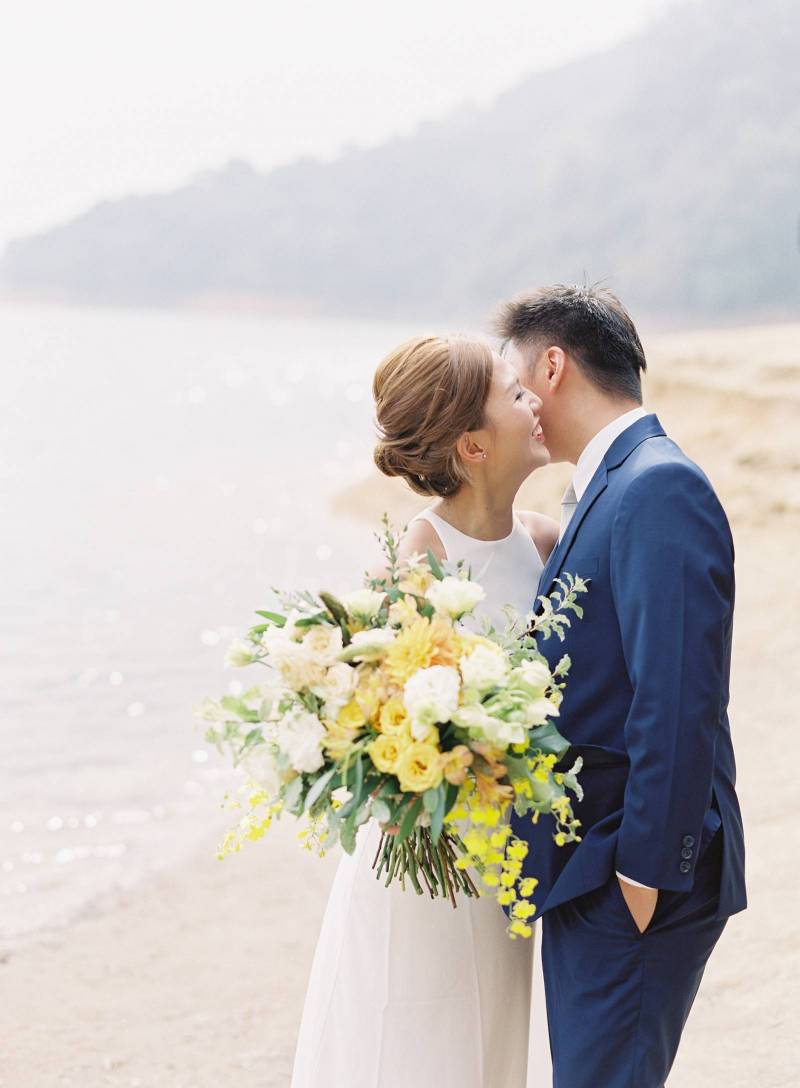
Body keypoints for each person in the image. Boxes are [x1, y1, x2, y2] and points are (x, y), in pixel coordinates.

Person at [291, 334, 558, 1088]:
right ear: (472, 445)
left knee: (495, 1046)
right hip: (424, 860)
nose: (533, 400)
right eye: (513, 394)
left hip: (507, 860)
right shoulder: (414, 563)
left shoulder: (547, 543)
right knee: (417, 1044)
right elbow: (374, 726)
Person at [497, 283, 747, 1087]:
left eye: (513, 380)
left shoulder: (656, 485)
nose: (513, 402)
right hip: (593, 866)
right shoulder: (606, 486)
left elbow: (679, 698)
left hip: (632, 872)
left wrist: (642, 877)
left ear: (554, 364)